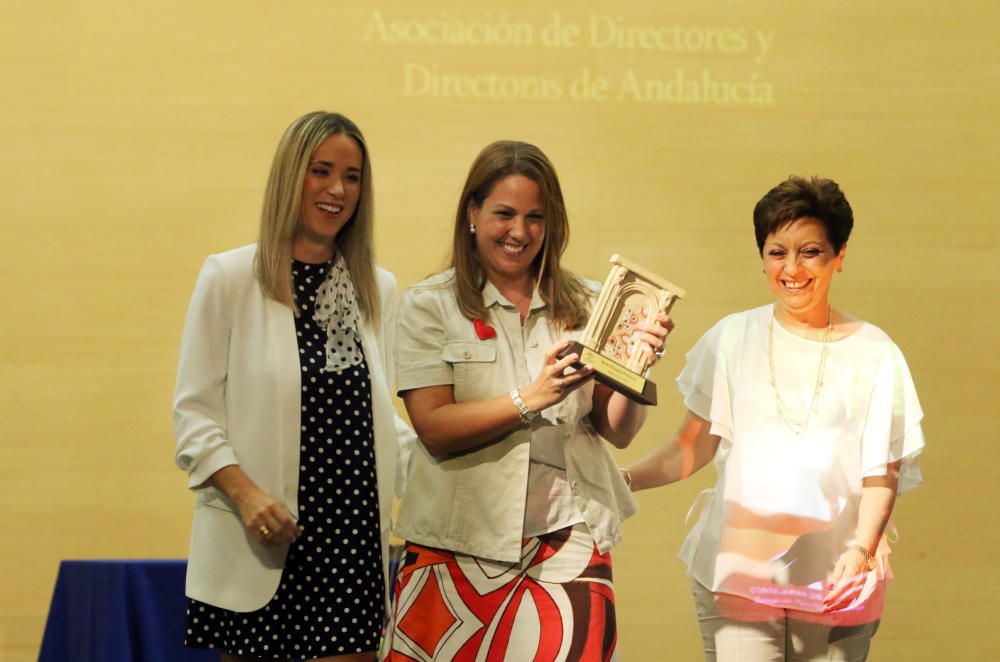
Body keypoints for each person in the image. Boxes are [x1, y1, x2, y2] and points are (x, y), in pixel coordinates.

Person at [380, 140, 672, 661]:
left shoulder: (587, 302)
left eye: (535, 217)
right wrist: (529, 398)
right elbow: (433, 426)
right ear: (472, 213)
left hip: (567, 541)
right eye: (504, 214)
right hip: (456, 542)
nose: (519, 232)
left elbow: (617, 432)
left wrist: (637, 366)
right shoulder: (429, 305)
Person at [627, 176, 925, 661]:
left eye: (810, 252)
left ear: (839, 255)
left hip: (836, 577)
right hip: (740, 574)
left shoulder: (876, 353)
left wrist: (862, 552)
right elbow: (692, 446)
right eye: (776, 253)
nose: (792, 269)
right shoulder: (731, 337)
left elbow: (881, 473)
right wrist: (623, 480)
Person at [173, 111, 413, 662]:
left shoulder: (378, 288)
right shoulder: (230, 277)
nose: (337, 190)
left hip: (351, 546)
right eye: (321, 170)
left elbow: (381, 424)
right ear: (290, 176)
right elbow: (194, 417)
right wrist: (247, 494)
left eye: (352, 177)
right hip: (259, 539)